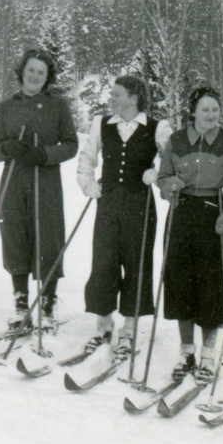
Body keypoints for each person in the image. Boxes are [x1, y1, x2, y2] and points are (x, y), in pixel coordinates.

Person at [76, 74, 173, 357]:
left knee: (136, 263)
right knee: (104, 262)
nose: (112, 99)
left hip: (139, 205)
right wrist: (87, 183)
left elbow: (173, 159)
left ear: (134, 98)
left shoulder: (157, 127)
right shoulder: (102, 124)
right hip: (108, 204)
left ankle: (128, 330)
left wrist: (155, 173)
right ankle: (103, 325)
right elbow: (87, 158)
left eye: (118, 94)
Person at [156, 87, 223, 383]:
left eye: (215, 110)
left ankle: (208, 357)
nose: (210, 115)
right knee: (180, 281)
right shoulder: (177, 140)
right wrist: (170, 185)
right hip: (182, 212)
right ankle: (186, 353)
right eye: (205, 110)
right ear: (192, 112)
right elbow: (163, 176)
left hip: (212, 214)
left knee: (210, 284)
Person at [0, 49, 79, 331]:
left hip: (46, 178)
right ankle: (20, 302)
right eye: (31, 70)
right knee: (15, 234)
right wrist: (7, 148)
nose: (35, 76)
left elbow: (71, 144)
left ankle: (48, 304)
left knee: (47, 236)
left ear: (47, 76)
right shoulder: (7, 106)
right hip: (15, 179)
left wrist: (46, 154)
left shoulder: (58, 106)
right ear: (22, 71)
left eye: (41, 72)